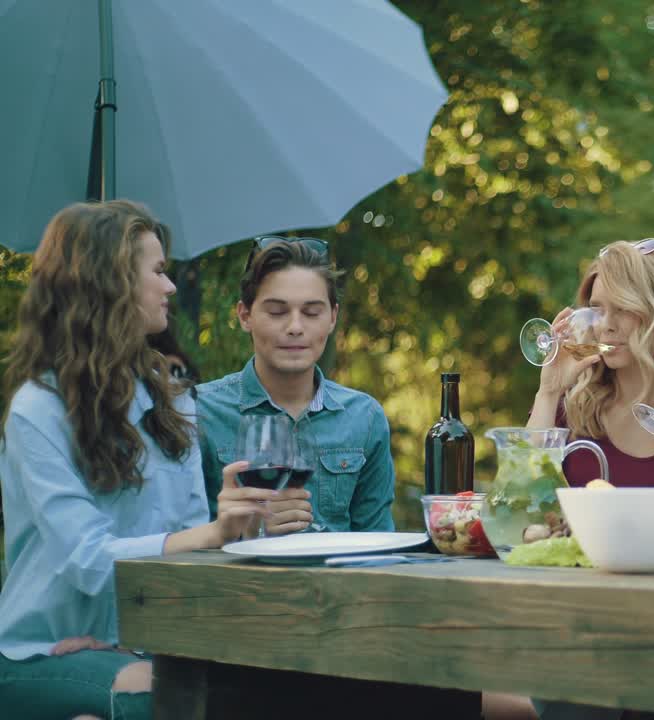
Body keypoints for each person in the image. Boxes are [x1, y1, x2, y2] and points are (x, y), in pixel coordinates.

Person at [0, 200, 270, 719]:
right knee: (175, 702)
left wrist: (241, 531)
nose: (170, 287)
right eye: (158, 271)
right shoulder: (38, 410)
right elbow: (90, 561)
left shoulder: (172, 400)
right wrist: (212, 533)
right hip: (39, 654)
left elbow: (188, 550)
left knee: (273, 689)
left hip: (144, 649)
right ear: (110, 282)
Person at [197, 237, 395, 535]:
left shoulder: (364, 418)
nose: (295, 327)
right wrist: (253, 531)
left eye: (312, 312)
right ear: (245, 316)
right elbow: (173, 545)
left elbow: (378, 545)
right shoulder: (199, 413)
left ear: (332, 318)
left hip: (336, 582)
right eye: (277, 312)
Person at [527, 238, 654, 488]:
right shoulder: (572, 406)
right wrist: (548, 392)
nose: (604, 325)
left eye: (622, 308)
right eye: (597, 309)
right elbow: (522, 492)